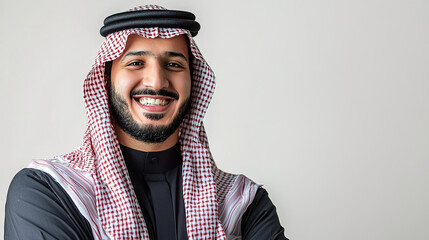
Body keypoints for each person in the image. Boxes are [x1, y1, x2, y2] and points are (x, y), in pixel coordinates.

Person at [5, 5, 287, 240]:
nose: (156, 81)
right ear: (106, 80)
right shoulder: (50, 191)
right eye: (136, 63)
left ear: (195, 83)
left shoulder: (243, 203)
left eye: (174, 64)